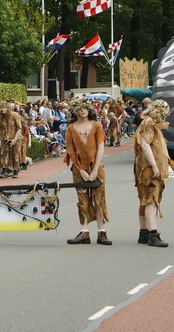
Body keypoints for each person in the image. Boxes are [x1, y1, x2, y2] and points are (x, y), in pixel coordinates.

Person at [64, 99, 111, 245]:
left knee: (98, 199)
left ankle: (101, 232)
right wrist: (81, 170)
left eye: (85, 108)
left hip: (96, 167)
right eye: (79, 108)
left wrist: (95, 169)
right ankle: (84, 232)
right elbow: (71, 152)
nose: (82, 111)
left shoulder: (96, 126)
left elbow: (100, 147)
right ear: (74, 111)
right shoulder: (71, 128)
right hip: (79, 169)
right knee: (82, 200)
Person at [133, 99, 174, 248]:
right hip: (148, 168)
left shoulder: (149, 123)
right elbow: (145, 144)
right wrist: (154, 166)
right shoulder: (149, 123)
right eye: (164, 113)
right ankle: (153, 234)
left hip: (144, 167)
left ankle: (144, 233)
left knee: (145, 199)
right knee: (151, 199)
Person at [0, 101, 26, 179]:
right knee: (3, 154)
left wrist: (15, 139)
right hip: (5, 138)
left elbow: (19, 128)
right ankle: (4, 170)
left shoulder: (15, 115)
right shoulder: (0, 118)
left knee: (15, 155)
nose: (2, 110)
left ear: (8, 108)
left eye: (4, 108)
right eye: (1, 108)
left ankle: (15, 171)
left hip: (15, 137)